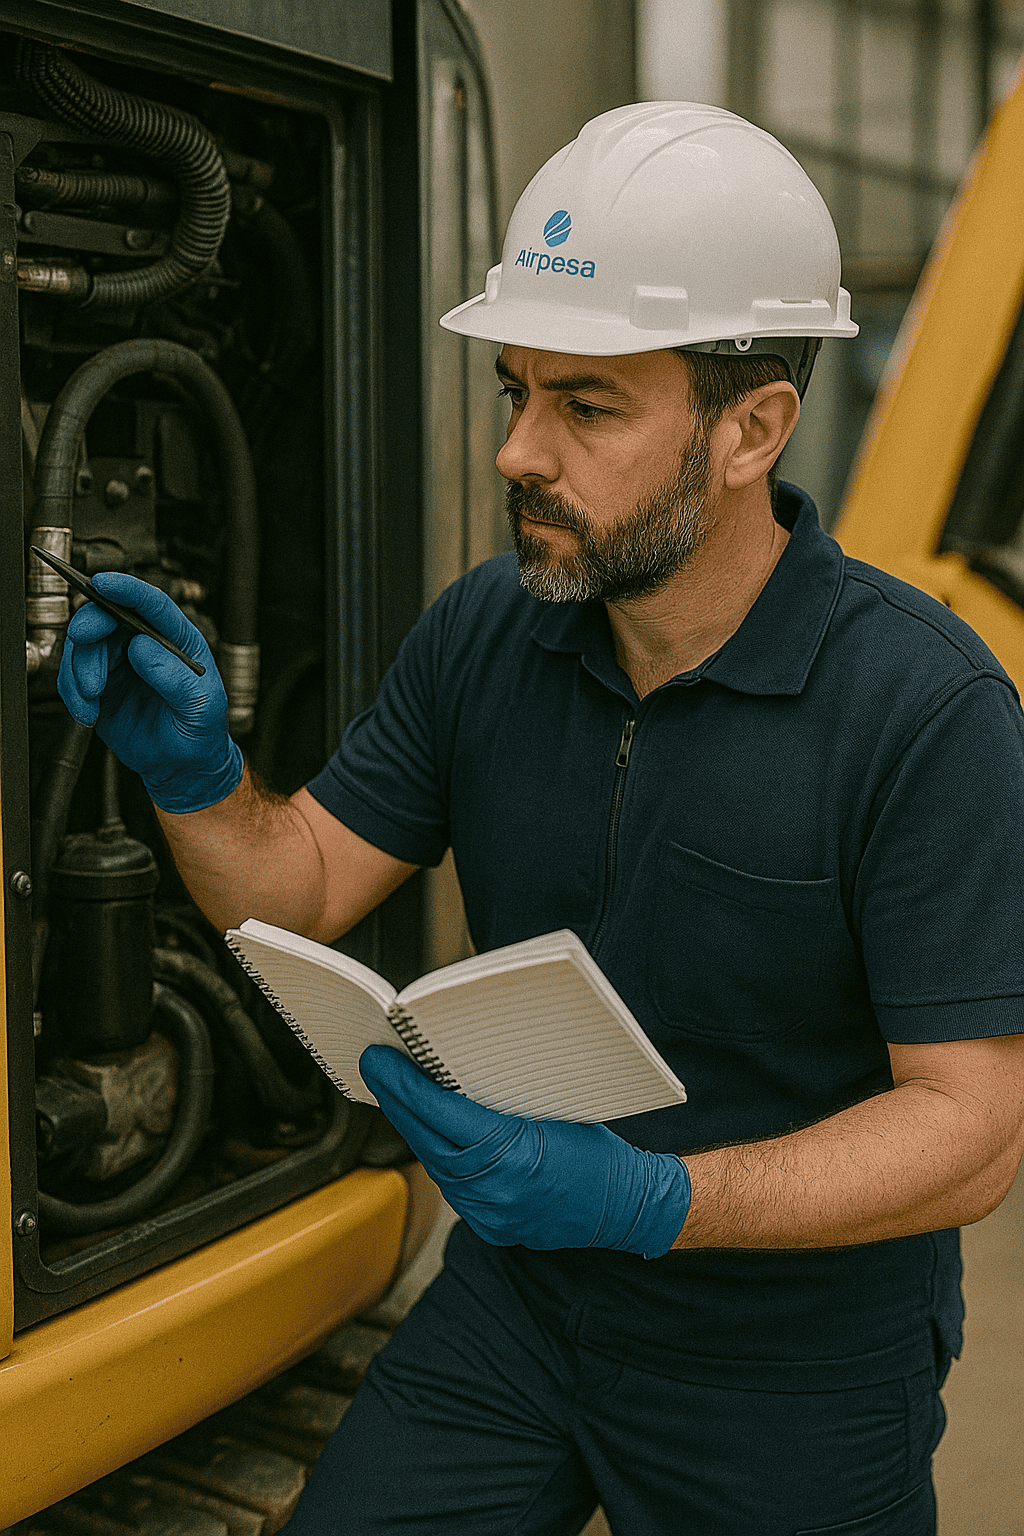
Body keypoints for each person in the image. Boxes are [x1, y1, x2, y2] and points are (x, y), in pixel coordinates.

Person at [57, 104, 1024, 1535]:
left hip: (789, 1352)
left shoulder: (925, 707)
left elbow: (976, 1129)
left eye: (585, 406)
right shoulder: (488, 635)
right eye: (517, 391)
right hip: (521, 1303)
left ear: (751, 429)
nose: (517, 452)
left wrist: (648, 1200)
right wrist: (200, 781)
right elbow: (307, 881)